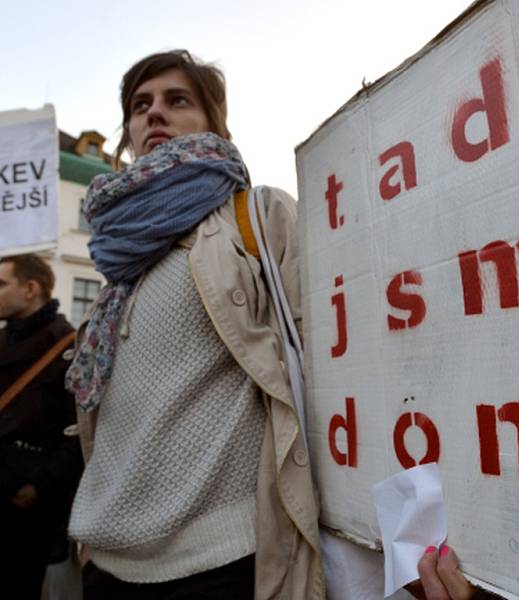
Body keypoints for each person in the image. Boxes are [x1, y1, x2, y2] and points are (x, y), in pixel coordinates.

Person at [65, 50, 321, 599]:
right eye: (140, 105)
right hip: (106, 562)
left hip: (220, 562)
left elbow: (330, 361)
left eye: (176, 100)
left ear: (212, 120)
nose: (153, 114)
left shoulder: (257, 217)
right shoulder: (118, 262)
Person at [0, 254, 83, 599]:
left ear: (30, 288)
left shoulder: (67, 345)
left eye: (2, 284)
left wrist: (38, 485)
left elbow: (78, 430)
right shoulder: (3, 341)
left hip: (25, 508)